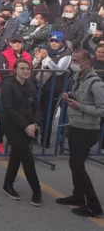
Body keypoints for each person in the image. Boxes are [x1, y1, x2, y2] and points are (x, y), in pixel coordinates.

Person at [56, 50, 104, 217]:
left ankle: (93, 205)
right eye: (72, 60)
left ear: (86, 63)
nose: (73, 63)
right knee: (74, 163)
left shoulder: (96, 83)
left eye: (76, 61)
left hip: (87, 129)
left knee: (78, 165)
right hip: (75, 125)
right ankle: (78, 196)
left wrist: (80, 106)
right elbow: (79, 98)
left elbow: (101, 109)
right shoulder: (78, 78)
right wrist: (69, 96)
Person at [0, 59, 42, 207]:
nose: (25, 71)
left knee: (16, 156)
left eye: (28, 69)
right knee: (27, 158)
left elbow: (37, 106)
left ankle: (7, 184)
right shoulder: (7, 85)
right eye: (22, 68)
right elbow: (8, 109)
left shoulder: (30, 84)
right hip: (13, 126)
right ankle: (37, 190)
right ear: (15, 70)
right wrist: (25, 126)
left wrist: (35, 124)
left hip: (29, 125)